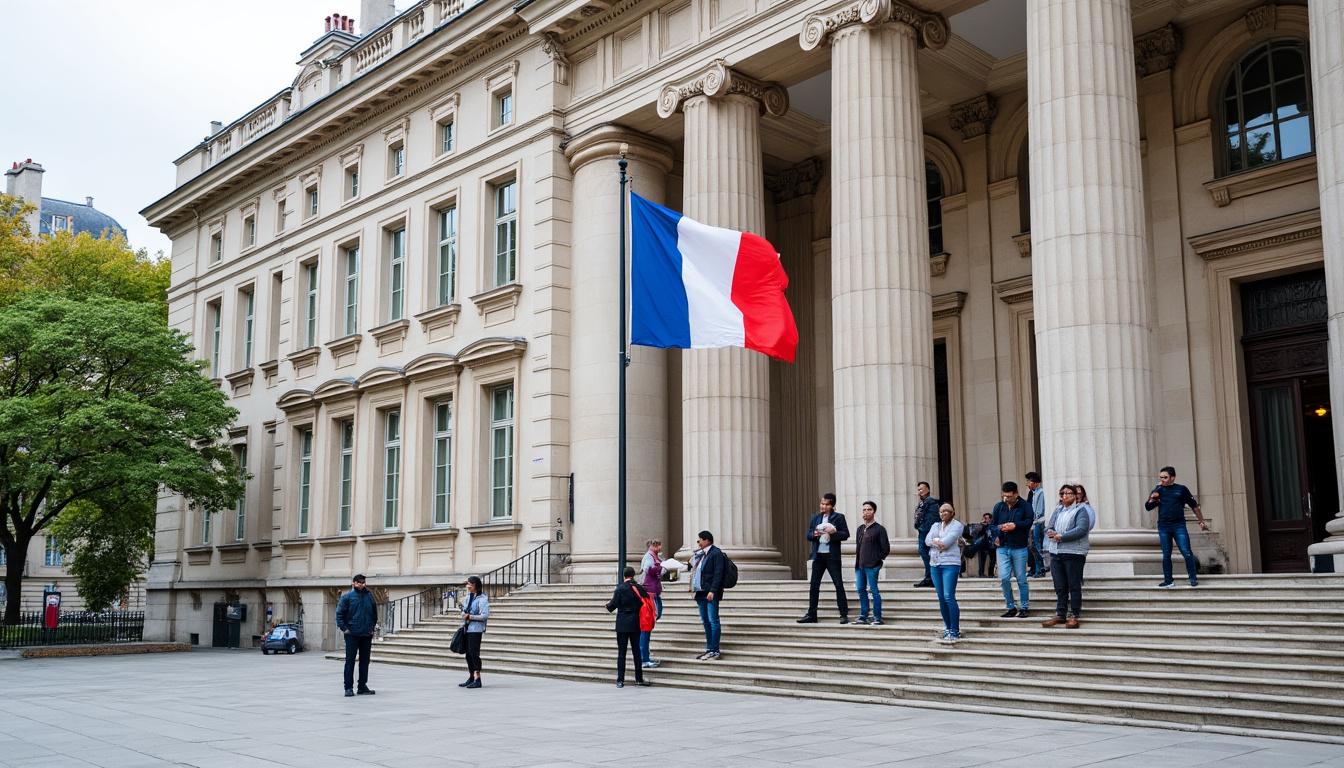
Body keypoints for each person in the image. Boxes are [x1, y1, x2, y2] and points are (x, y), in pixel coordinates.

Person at [1145, 466, 1209, 588]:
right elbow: (1148, 507)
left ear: (1172, 478)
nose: (1162, 479)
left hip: (1178, 525)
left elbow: (1194, 506)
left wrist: (1201, 521)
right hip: (1163, 526)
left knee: (1186, 551)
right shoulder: (1158, 490)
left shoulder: (1181, 490)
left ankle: (1193, 578)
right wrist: (1152, 498)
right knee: (1166, 554)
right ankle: (1168, 581)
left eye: (1165, 477)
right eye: (1161, 477)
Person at [1042, 485, 1093, 628]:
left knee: (1073, 585)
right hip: (1056, 552)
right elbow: (1049, 526)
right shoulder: (1058, 510)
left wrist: (1061, 536)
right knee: (1060, 585)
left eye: (1068, 493)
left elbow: (1081, 529)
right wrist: (1051, 532)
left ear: (1075, 496)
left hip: (1073, 553)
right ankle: (1060, 614)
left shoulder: (1081, 510)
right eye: (1062, 493)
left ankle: (1074, 615)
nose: (1064, 496)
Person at [798, 493, 850, 624]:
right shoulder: (815, 517)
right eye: (822, 503)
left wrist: (832, 533)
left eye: (826, 504)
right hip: (818, 556)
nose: (823, 506)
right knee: (814, 586)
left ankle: (843, 614)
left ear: (832, 505)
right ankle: (811, 614)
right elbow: (809, 534)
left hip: (832, 556)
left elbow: (845, 534)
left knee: (838, 584)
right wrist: (815, 533)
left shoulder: (838, 517)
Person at [992, 481, 1034, 618]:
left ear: (1016, 494)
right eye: (1004, 496)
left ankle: (1024, 607)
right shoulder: (999, 506)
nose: (1006, 499)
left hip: (1019, 547)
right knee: (1004, 578)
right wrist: (996, 534)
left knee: (1021, 578)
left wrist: (1015, 525)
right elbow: (992, 525)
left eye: (1009, 496)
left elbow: (1029, 522)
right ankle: (1010, 606)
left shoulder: (1025, 506)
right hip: (1002, 547)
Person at [606, 566, 653, 688]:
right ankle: (639, 679)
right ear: (633, 575)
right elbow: (644, 601)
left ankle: (620, 680)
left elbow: (612, 606)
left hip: (622, 624)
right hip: (636, 623)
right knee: (636, 651)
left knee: (622, 652)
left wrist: (607, 605)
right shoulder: (638, 588)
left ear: (624, 576)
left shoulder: (620, 588)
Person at [926, 502, 965, 643]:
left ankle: (955, 629)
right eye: (941, 511)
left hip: (950, 564)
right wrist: (937, 541)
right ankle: (948, 627)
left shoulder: (957, 525)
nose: (943, 514)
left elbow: (946, 543)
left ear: (952, 512)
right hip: (935, 563)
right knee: (941, 597)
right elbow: (926, 540)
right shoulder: (935, 526)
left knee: (949, 596)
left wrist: (936, 541)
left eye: (946, 511)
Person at [335, 573, 377, 697]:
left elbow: (374, 614)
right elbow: (339, 615)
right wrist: (345, 629)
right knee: (350, 662)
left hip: (366, 634)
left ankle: (362, 686)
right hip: (352, 635)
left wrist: (371, 628)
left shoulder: (369, 597)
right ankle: (348, 688)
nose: (361, 584)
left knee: (365, 662)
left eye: (363, 582)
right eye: (359, 582)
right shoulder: (347, 597)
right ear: (354, 583)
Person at [852, 500, 891, 625]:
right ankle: (863, 616)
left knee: (874, 591)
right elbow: (858, 548)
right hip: (860, 566)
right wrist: (857, 563)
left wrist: (876, 561)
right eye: (864, 510)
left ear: (874, 511)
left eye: (869, 509)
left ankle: (877, 618)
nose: (866, 512)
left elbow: (886, 549)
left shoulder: (880, 529)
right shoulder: (860, 529)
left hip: (872, 566)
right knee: (861, 589)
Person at [689, 530, 726, 660]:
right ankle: (709, 648)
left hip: (710, 592)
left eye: (700, 540)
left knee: (713, 620)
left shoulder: (716, 553)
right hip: (700, 592)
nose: (698, 542)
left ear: (707, 540)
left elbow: (718, 574)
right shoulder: (702, 554)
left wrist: (713, 590)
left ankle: (715, 650)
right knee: (706, 621)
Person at [459, 575, 490, 689]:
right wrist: (464, 614)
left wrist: (470, 616)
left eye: (470, 585)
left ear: (475, 585)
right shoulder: (469, 596)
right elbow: (464, 610)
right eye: (467, 584)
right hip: (466, 628)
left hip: (476, 630)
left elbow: (484, 616)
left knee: (474, 654)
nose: (468, 586)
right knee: (468, 655)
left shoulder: (482, 599)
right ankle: (471, 677)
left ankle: (478, 678)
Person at [638, 539, 665, 669]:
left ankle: (645, 657)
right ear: (654, 546)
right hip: (650, 595)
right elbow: (648, 571)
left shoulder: (654, 557)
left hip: (653, 594)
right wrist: (663, 567)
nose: (661, 547)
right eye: (659, 545)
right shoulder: (649, 557)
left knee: (647, 627)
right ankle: (644, 659)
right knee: (646, 628)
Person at [912, 482, 940, 587]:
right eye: (918, 489)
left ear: (928, 489)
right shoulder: (922, 503)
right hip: (922, 532)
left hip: (926, 533)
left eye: (922, 489)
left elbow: (932, 519)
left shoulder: (931, 502)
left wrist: (923, 529)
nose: (919, 491)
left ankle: (931, 578)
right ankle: (930, 577)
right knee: (925, 553)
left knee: (926, 553)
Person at [1025, 471, 1049, 577]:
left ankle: (1041, 569)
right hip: (1035, 523)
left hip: (1038, 523)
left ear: (1036, 483)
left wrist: (1033, 520)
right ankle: (1037, 569)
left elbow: (1039, 511)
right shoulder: (1034, 493)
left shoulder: (1040, 493)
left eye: (1029, 482)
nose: (1028, 484)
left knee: (1037, 546)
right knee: (1033, 546)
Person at [962, 512, 996, 578]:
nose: (984, 519)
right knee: (982, 560)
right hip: (983, 546)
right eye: (983, 518)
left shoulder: (993, 526)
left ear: (990, 519)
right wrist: (982, 525)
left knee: (993, 560)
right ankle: (981, 573)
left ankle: (991, 574)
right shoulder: (980, 526)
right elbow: (975, 534)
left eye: (986, 518)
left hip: (992, 546)